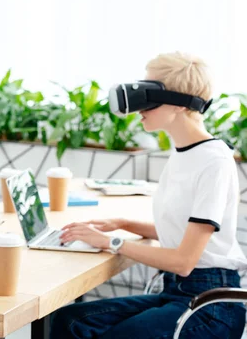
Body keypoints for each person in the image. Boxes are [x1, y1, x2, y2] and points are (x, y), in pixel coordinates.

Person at [50, 52, 247, 339]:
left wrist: (110, 242)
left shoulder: (213, 161)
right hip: (176, 291)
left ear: (181, 103)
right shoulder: (183, 153)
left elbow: (184, 260)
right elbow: (184, 232)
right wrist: (121, 223)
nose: (138, 104)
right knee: (70, 321)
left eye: (148, 92)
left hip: (211, 306)